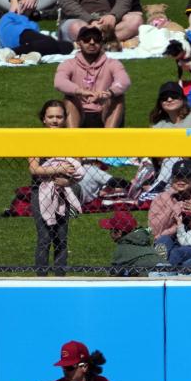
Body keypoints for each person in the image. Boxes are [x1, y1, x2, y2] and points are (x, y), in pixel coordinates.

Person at [29, 100, 83, 276]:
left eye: (59, 117)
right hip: (40, 193)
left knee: (61, 236)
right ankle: (41, 277)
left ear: (65, 119)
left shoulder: (71, 139)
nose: (54, 120)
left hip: (64, 192)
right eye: (50, 116)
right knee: (44, 237)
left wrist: (67, 182)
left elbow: (77, 167)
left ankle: (60, 276)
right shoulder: (36, 139)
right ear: (43, 119)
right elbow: (34, 168)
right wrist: (58, 169)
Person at [53, 26, 131, 128]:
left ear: (102, 43)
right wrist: (80, 91)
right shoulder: (68, 64)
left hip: (104, 111)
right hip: (79, 113)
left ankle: (110, 138)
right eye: (86, 39)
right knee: (70, 98)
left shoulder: (113, 63)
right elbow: (59, 82)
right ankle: (72, 138)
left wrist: (108, 93)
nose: (92, 42)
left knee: (118, 97)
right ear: (79, 42)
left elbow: (124, 81)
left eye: (96, 39)